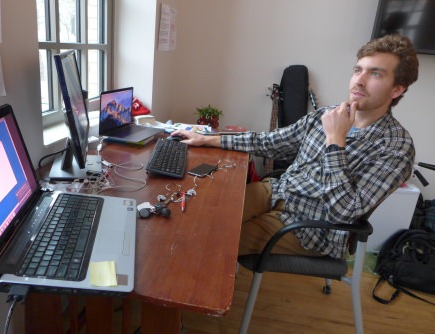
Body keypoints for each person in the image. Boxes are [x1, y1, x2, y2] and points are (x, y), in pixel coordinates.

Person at [171, 34, 419, 259]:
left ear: (397, 89)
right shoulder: (325, 114)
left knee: (206, 241)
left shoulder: (396, 147)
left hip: (309, 228)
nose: (359, 81)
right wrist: (210, 139)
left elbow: (345, 212)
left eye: (375, 74)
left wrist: (335, 141)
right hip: (278, 192)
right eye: (358, 70)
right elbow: (272, 143)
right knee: (199, 216)